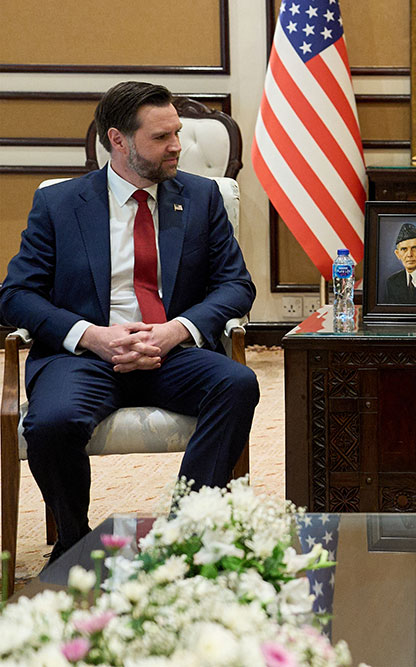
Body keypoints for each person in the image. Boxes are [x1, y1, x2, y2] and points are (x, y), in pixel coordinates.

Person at [0, 81, 259, 564]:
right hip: (85, 356)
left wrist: (176, 330)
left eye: (177, 133)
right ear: (118, 140)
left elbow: (236, 286)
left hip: (171, 352)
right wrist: (91, 336)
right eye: (162, 137)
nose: (177, 145)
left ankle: (188, 533)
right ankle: (74, 543)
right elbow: (15, 295)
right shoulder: (60, 204)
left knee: (237, 384)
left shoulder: (202, 197)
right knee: (51, 422)